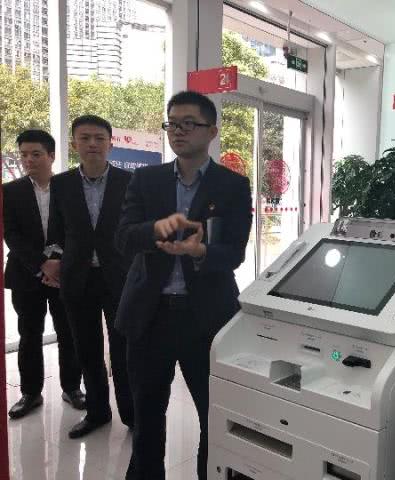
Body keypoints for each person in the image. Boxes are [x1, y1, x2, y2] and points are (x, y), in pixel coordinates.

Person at [115, 91, 252, 480]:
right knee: (146, 417)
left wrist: (201, 251)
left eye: (188, 123)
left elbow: (235, 253)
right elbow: (123, 238)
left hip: (205, 319)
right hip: (149, 316)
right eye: (172, 123)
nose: (178, 131)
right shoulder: (146, 180)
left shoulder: (232, 185)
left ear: (212, 131)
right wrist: (154, 228)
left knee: (213, 415)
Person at [46, 115, 134, 438]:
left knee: (124, 350)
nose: (92, 143)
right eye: (85, 138)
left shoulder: (130, 181)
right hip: (78, 279)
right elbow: (56, 231)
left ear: (111, 143)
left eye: (99, 137)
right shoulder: (61, 184)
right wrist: (54, 260)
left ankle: (132, 415)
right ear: (74, 144)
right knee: (87, 350)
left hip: (120, 279)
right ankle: (97, 412)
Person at [3, 130, 85, 419]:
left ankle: (72, 388)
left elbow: (77, 229)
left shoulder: (69, 187)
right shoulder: (9, 191)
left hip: (64, 272)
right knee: (29, 334)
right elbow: (11, 234)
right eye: (23, 154)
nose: (28, 160)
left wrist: (58, 262)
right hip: (26, 275)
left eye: (35, 154)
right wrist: (41, 263)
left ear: (51, 155)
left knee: (68, 332)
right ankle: (30, 393)